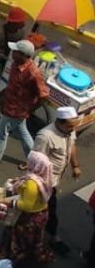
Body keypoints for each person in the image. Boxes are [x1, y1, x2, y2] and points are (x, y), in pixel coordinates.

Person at [0, 40, 49, 167]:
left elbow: (43, 95)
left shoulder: (33, 73)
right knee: (22, 133)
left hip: (17, 110)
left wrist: (30, 109)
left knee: (0, 132)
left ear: (23, 55)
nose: (12, 53)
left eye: (15, 52)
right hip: (9, 104)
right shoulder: (16, 64)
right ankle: (33, 160)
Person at [33, 106, 81, 254]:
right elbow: (36, 161)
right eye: (70, 126)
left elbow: (71, 146)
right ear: (60, 123)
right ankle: (50, 238)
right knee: (47, 211)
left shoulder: (68, 131)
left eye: (74, 125)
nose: (73, 129)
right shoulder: (45, 136)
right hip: (44, 182)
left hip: (55, 180)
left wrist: (75, 166)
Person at [0, 150, 55, 264]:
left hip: (28, 219)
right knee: (33, 241)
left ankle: (15, 262)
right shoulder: (43, 178)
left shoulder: (32, 184)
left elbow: (26, 205)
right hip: (40, 214)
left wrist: (4, 201)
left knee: (19, 240)